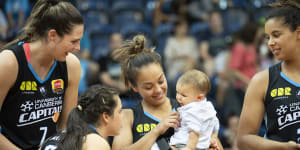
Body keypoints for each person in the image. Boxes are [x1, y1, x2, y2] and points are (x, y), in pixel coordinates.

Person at [111, 34, 221, 150]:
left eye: (161, 81)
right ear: (134, 87)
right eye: (149, 87)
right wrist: (157, 130)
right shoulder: (129, 116)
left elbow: (216, 143)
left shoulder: (189, 106)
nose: (158, 90)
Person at [0, 0, 83, 149]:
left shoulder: (71, 66)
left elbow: (65, 128)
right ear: (52, 35)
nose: (77, 48)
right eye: (73, 41)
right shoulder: (8, 63)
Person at [237, 0, 300, 150]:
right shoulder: (262, 80)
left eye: (276, 35)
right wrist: (282, 147)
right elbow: (243, 140)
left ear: (298, 33)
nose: (270, 43)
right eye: (268, 37)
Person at [40, 84, 123, 150]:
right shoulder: (96, 143)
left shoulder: (56, 136)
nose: (122, 116)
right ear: (106, 116)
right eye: (119, 111)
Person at [169, 69, 220, 150]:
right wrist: (213, 138)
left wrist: (189, 147)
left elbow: (194, 131)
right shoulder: (208, 106)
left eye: (183, 95)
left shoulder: (192, 110)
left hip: (184, 145)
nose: (178, 97)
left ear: (199, 97)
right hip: (202, 146)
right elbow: (216, 124)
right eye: (177, 92)